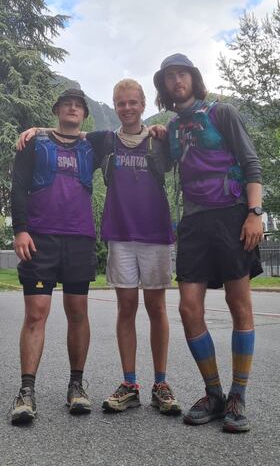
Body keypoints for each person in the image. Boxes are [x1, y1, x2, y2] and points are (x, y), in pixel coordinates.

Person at [17, 79, 181, 416]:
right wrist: (36, 129)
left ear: (143, 104)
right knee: (117, 310)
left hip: (130, 236)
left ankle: (154, 384)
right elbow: (62, 138)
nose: (127, 108)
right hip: (101, 236)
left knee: (150, 309)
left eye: (133, 102)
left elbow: (181, 157)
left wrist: (164, 130)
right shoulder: (99, 140)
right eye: (121, 103)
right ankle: (124, 384)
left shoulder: (145, 141)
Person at [154, 53, 263, 434]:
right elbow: (161, 168)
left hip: (233, 215)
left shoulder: (222, 113)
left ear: (193, 78)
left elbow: (251, 163)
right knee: (188, 308)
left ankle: (238, 396)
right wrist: (156, 138)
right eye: (169, 77)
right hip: (194, 223)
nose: (176, 80)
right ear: (164, 86)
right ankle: (214, 393)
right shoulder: (171, 128)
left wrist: (255, 212)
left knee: (239, 303)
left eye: (182, 74)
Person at [9, 89, 100, 424]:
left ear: (85, 115)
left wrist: (156, 130)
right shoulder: (33, 144)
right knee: (36, 313)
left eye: (78, 105)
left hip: (79, 239)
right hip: (40, 238)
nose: (72, 108)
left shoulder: (94, 145)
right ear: (57, 110)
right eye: (66, 104)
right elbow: (18, 186)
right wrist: (20, 229)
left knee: (78, 312)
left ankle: (76, 386)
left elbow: (127, 137)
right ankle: (26, 392)